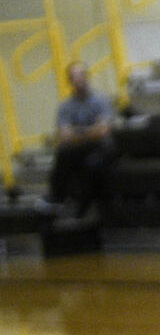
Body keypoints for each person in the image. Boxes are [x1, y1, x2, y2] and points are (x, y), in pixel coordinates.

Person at [48, 61, 116, 218]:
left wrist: (77, 133)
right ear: (69, 81)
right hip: (80, 148)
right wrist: (91, 131)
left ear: (87, 77)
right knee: (62, 153)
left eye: (81, 75)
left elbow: (103, 132)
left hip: (101, 148)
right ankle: (57, 198)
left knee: (92, 163)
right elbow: (64, 137)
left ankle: (83, 207)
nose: (78, 79)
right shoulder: (65, 106)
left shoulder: (101, 100)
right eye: (74, 77)